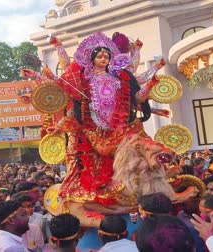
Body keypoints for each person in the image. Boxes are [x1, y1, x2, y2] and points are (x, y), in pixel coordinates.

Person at [48, 32, 168, 209]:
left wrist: (151, 83)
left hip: (120, 129)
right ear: (92, 58)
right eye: (99, 55)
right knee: (84, 161)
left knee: (140, 152)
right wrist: (59, 126)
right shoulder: (83, 80)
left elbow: (137, 98)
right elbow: (68, 98)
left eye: (107, 55)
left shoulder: (119, 78)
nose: (103, 58)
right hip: (92, 132)